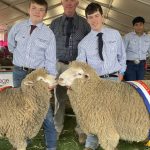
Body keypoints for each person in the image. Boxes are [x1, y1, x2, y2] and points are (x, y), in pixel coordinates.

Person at [8, 0, 57, 150]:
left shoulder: (48, 34)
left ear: (45, 13)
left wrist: (51, 81)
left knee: (45, 112)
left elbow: (50, 59)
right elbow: (11, 46)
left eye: (41, 9)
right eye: (34, 8)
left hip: (37, 76)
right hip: (19, 73)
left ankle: (51, 146)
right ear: (29, 9)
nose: (37, 11)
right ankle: (23, 142)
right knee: (21, 109)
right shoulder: (18, 27)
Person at [76, 2, 126, 150]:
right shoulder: (84, 43)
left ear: (102, 16)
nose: (94, 20)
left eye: (96, 16)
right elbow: (81, 66)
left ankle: (111, 143)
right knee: (93, 113)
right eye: (90, 17)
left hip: (113, 79)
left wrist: (121, 73)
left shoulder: (115, 34)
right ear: (87, 20)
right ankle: (91, 144)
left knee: (112, 113)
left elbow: (122, 55)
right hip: (95, 82)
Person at [50, 0, 90, 143]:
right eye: (66, 0)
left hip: (76, 68)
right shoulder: (54, 23)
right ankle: (57, 128)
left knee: (79, 99)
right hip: (59, 65)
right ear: (61, 2)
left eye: (72, 0)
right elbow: (49, 46)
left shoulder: (85, 24)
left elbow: (89, 45)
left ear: (77, 2)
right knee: (59, 98)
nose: (69, 3)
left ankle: (81, 130)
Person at [124, 16, 150, 81]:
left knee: (140, 85)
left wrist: (144, 60)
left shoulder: (148, 38)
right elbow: (122, 51)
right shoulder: (127, 37)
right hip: (130, 65)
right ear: (133, 26)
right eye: (136, 25)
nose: (139, 27)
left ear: (143, 25)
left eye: (140, 25)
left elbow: (149, 52)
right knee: (131, 85)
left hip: (142, 65)